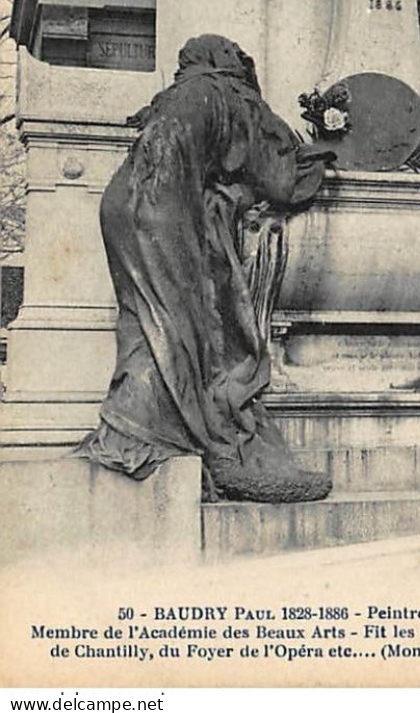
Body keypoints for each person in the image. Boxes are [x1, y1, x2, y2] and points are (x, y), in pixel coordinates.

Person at [76, 34, 333, 502]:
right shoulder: (230, 95)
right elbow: (278, 180)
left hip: (119, 203)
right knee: (179, 327)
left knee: (146, 321)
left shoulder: (178, 95)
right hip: (163, 208)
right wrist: (320, 156)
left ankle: (126, 431)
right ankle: (178, 439)